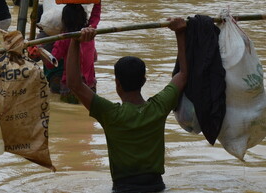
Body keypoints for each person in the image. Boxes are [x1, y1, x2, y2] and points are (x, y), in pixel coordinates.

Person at [64, 16, 188, 193]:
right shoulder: (158, 107)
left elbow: (74, 84)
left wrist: (76, 42)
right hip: (156, 187)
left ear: (117, 84)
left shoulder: (110, 114)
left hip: (123, 188)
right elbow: (183, 74)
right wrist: (180, 32)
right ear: (144, 81)